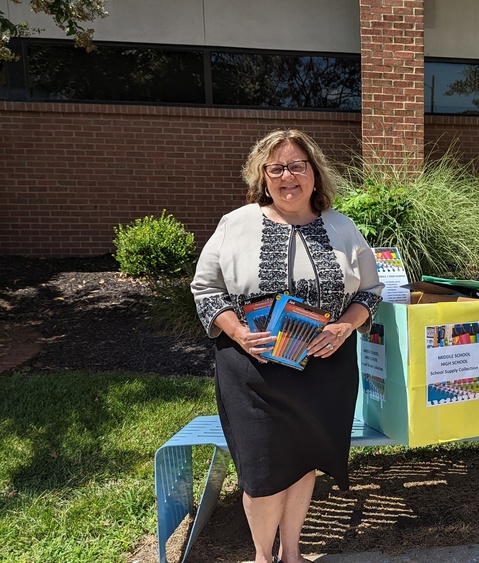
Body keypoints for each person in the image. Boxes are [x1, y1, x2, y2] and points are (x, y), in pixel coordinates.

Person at [191, 129, 383, 563]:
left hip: (323, 368)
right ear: (262, 176)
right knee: (261, 473)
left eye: (298, 165)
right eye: (275, 167)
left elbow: (369, 291)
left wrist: (343, 329)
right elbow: (205, 290)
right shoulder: (235, 224)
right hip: (253, 370)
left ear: (314, 173)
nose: (287, 176)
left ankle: (292, 554)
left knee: (304, 462)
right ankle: (263, 556)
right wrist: (238, 332)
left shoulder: (342, 227)